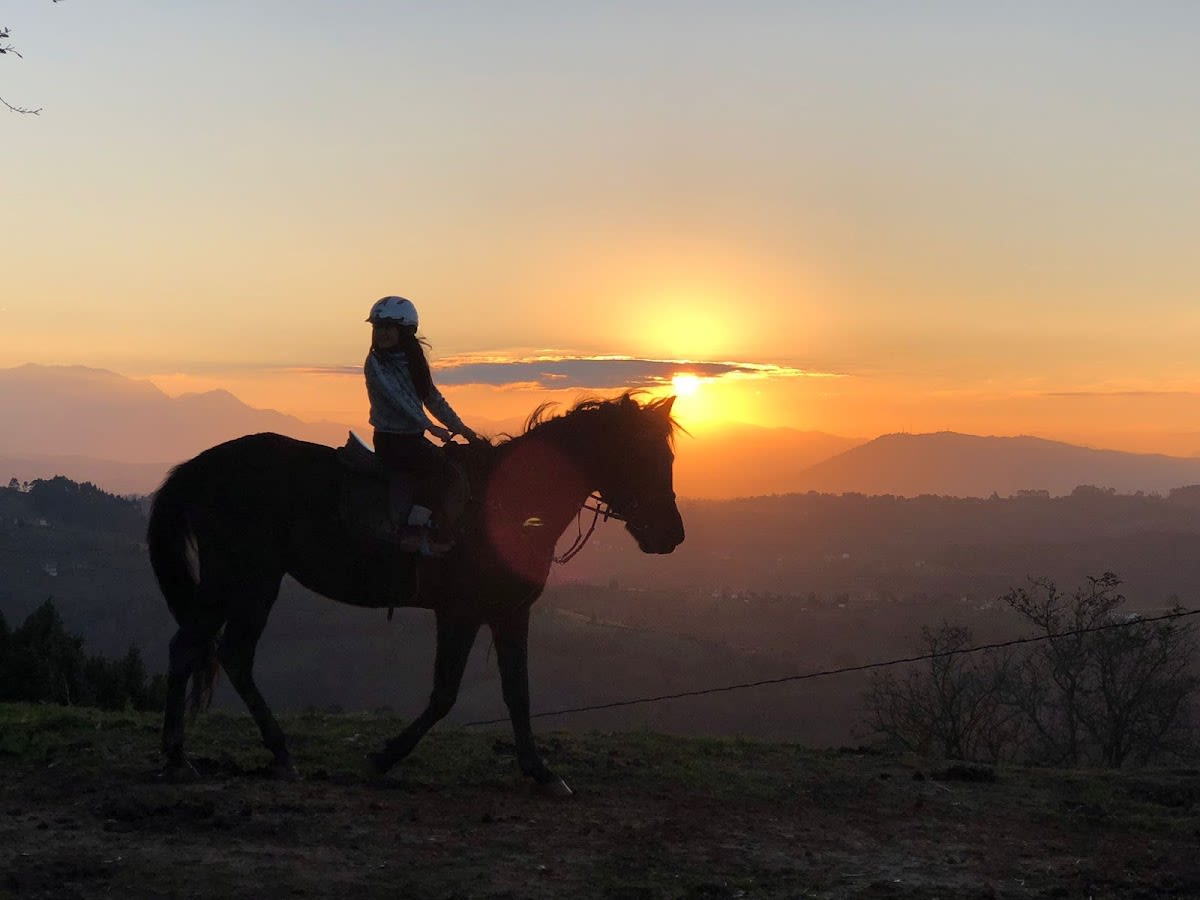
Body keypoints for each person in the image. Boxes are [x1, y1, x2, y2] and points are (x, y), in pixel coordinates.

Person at [364, 295, 480, 554]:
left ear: (405, 331)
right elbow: (397, 398)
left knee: (452, 464)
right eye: (379, 327)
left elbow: (431, 397)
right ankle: (415, 530)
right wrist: (429, 425)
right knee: (447, 473)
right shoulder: (375, 364)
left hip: (412, 438)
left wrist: (461, 428)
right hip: (392, 440)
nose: (382, 333)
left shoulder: (413, 361)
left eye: (389, 327)